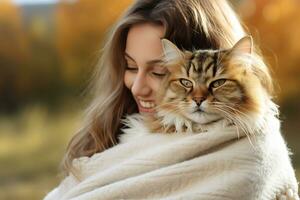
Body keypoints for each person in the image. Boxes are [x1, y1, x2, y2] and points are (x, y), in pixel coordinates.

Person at [44, 0, 299, 199]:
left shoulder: (252, 155)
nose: (138, 88)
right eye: (130, 67)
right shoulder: (116, 134)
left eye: (158, 72)